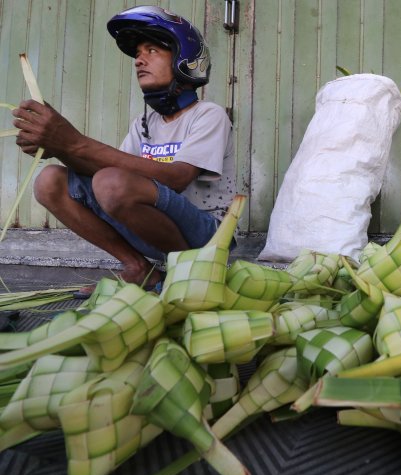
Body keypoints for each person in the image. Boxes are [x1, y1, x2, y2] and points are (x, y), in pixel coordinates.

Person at [12, 5, 236, 295]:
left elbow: (177, 179)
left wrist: (72, 141)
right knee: (50, 181)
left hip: (209, 235)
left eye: (152, 50)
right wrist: (58, 146)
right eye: (137, 54)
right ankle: (140, 269)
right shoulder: (144, 122)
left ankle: (194, 271)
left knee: (111, 183)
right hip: (163, 227)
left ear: (185, 58)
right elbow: (103, 173)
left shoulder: (208, 114)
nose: (139, 60)